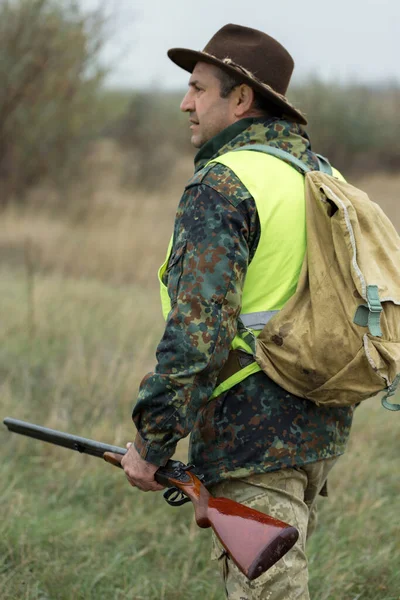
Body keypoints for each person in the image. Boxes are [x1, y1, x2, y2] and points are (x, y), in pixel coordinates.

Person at [118, 24, 354, 599]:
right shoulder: (324, 177)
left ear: (242, 98)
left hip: (252, 436)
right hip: (318, 427)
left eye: (199, 88)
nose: (185, 102)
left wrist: (152, 445)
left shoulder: (226, 183)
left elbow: (198, 333)